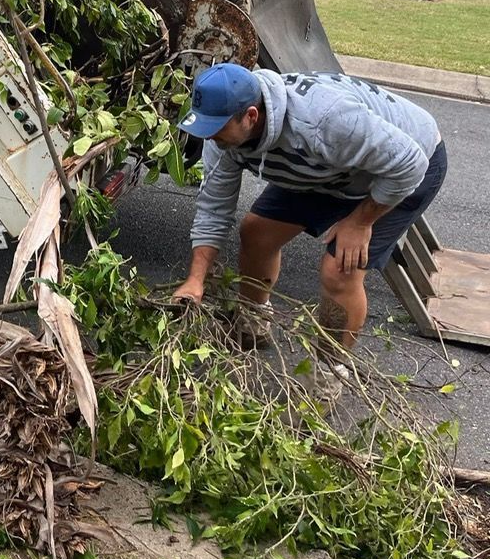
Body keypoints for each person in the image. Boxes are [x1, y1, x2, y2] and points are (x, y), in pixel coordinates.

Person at [172, 63, 446, 359]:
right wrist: (195, 280)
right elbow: (213, 209)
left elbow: (410, 164)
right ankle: (253, 322)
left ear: (251, 116)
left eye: (216, 128)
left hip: (403, 168)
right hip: (330, 170)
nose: (209, 137)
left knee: (339, 269)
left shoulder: (324, 121)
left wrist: (360, 222)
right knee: (257, 233)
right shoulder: (223, 138)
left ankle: (330, 369)